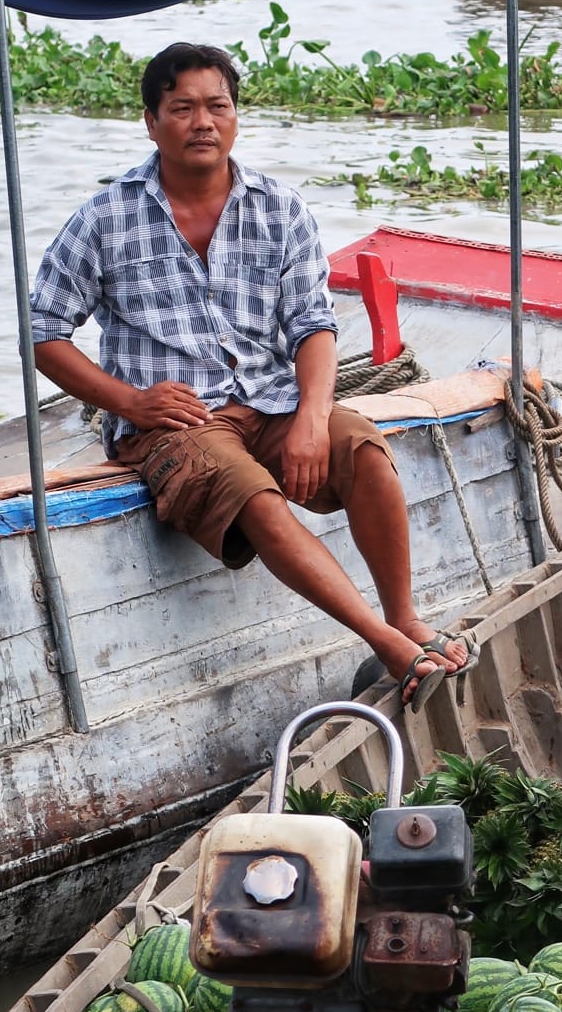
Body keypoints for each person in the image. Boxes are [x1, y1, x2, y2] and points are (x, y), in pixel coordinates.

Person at [27, 41, 477, 709]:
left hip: (269, 400)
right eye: (182, 108)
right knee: (254, 494)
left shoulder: (278, 209)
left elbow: (313, 329)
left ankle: (404, 615)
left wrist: (313, 420)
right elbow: (43, 332)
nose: (203, 122)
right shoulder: (106, 217)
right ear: (151, 121)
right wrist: (131, 402)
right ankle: (385, 642)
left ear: (236, 117)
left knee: (367, 453)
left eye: (218, 106)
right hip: (174, 425)